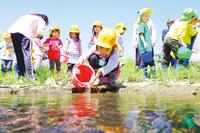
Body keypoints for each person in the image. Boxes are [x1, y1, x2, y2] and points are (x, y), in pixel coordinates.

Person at [7, 13, 49, 78]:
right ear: (45, 19)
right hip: (25, 34)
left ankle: (21, 75)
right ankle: (30, 76)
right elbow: (39, 32)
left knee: (19, 56)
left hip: (14, 33)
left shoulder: (27, 16)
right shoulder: (41, 20)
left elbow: (13, 26)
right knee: (27, 55)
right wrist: (40, 34)